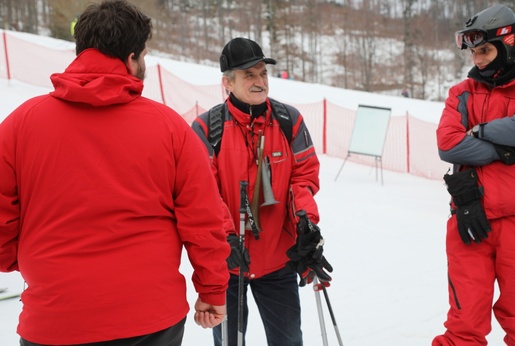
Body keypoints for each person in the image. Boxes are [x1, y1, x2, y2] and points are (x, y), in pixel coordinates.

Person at [0, 1, 230, 345]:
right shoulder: (169, 127)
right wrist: (212, 288)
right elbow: (204, 218)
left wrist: (32, 265)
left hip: (56, 318)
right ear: (132, 57)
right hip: (149, 318)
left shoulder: (21, 123)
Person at [191, 37, 333, 346]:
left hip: (278, 262)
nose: (259, 81)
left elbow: (303, 179)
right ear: (227, 82)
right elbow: (203, 196)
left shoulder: (289, 121)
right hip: (228, 266)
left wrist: (305, 224)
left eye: (262, 73)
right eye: (249, 75)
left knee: (289, 341)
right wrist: (226, 238)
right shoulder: (205, 129)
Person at [433, 4, 515, 346]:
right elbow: (449, 146)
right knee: (464, 324)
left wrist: (480, 131)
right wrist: (506, 149)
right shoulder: (462, 92)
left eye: (485, 50)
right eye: (474, 52)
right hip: (470, 217)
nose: (478, 60)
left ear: (510, 43)